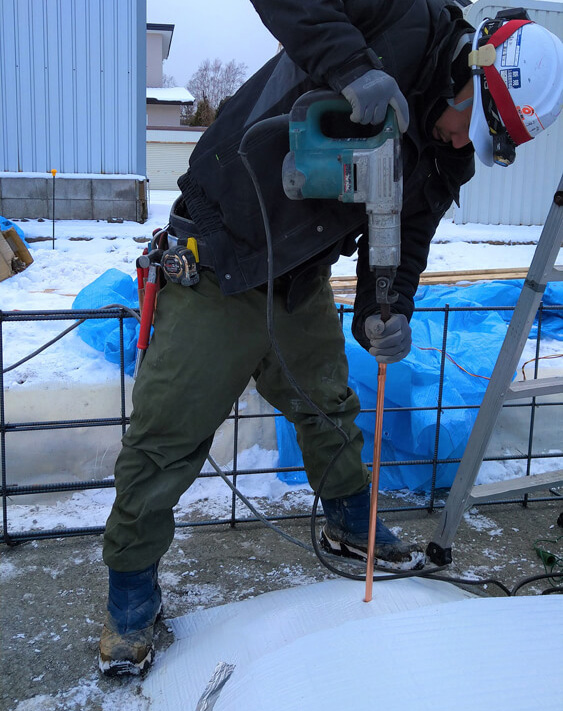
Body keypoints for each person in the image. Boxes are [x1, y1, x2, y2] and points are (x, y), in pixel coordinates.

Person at [98, 0, 563, 676]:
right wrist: (350, 66)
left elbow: (403, 242)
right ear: (471, 76)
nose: (463, 145)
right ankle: (130, 599)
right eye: (473, 129)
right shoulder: (401, 13)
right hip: (218, 256)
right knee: (165, 438)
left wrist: (386, 308)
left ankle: (352, 526)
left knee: (330, 413)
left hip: (299, 278)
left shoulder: (444, 150)